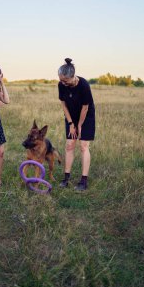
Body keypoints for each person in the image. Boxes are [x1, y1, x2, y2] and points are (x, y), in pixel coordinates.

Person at [58, 58, 95, 191]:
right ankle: (66, 178)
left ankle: (83, 181)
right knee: (69, 144)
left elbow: (85, 107)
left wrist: (79, 125)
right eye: (61, 80)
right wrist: (71, 123)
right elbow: (63, 104)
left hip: (86, 115)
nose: (63, 83)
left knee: (84, 146)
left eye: (65, 80)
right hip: (71, 115)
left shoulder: (84, 85)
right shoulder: (61, 85)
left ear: (73, 76)